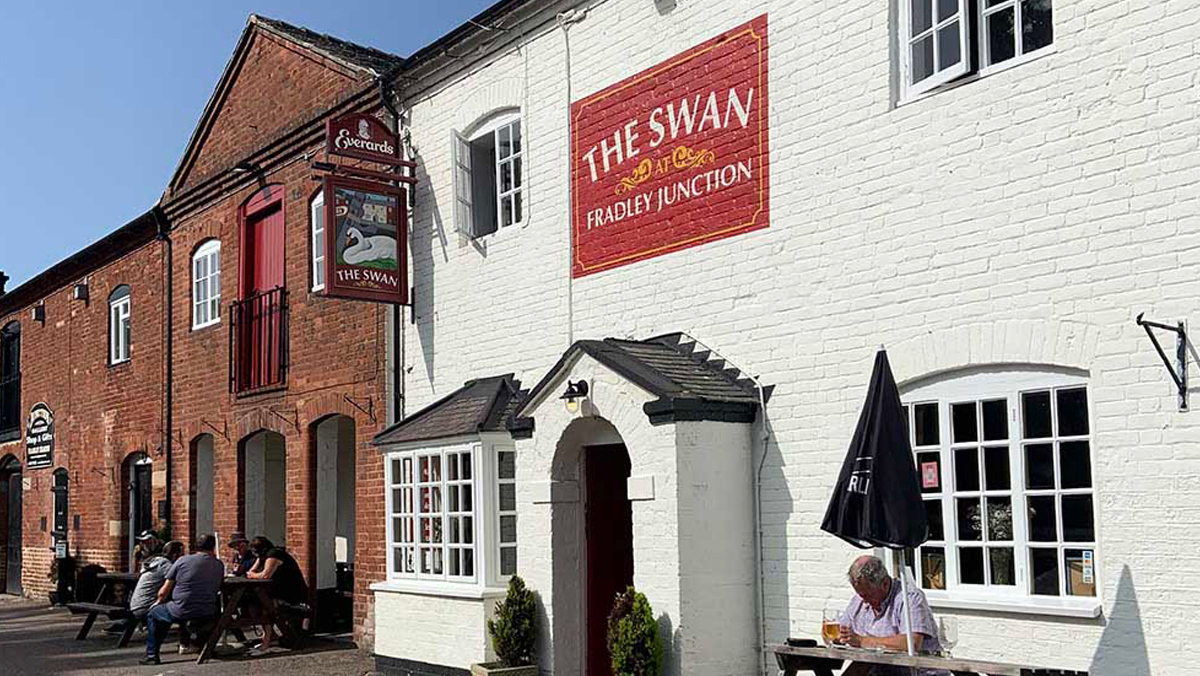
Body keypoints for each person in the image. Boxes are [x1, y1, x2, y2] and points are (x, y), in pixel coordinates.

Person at [836, 555, 949, 676]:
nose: (864, 600)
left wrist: (863, 641)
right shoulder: (860, 599)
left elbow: (911, 643)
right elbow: (839, 631)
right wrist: (838, 636)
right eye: (860, 595)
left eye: (869, 595)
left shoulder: (909, 597)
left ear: (884, 584)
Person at [140, 534, 225, 666]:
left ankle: (152, 655)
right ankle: (202, 646)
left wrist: (157, 603)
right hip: (208, 610)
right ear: (213, 547)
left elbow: (164, 591)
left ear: (196, 545)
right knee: (180, 611)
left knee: (155, 614)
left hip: (182, 609)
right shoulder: (219, 564)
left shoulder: (182, 561)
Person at [104, 540, 183, 636]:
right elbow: (180, 581)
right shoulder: (166, 565)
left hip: (135, 605)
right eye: (181, 554)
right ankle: (184, 637)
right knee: (180, 603)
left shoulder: (154, 561)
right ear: (175, 554)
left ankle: (128, 624)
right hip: (145, 608)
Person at [245, 536, 307, 653]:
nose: (255, 555)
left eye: (255, 552)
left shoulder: (274, 554)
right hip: (277, 592)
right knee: (252, 603)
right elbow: (251, 571)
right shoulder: (264, 556)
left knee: (266, 607)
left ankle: (267, 640)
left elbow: (265, 575)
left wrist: (253, 574)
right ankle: (270, 635)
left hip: (291, 594)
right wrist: (253, 571)